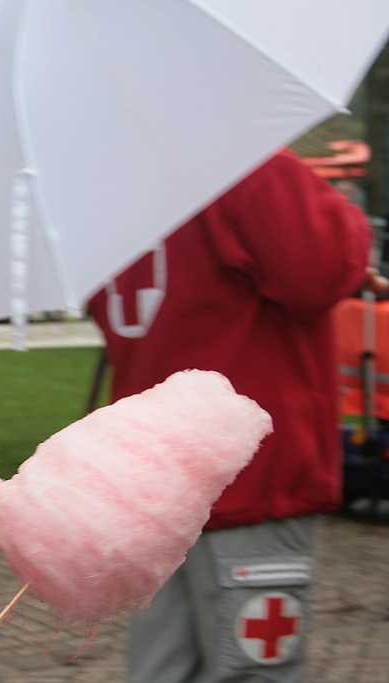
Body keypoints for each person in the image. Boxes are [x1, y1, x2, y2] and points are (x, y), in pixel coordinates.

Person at [86, 147, 377, 683]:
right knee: (254, 669)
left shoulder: (113, 189)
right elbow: (322, 272)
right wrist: (352, 228)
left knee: (163, 667)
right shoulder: (245, 162)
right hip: (248, 474)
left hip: (151, 476)